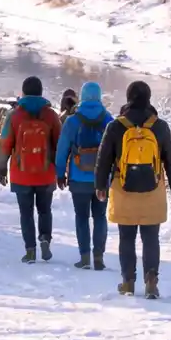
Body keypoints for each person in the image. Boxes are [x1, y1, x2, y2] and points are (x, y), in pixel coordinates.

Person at [94, 81, 171, 300]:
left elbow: (103, 159)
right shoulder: (160, 127)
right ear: (149, 98)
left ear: (128, 98)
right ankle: (151, 281)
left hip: (124, 190)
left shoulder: (116, 126)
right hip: (153, 191)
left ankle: (128, 282)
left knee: (127, 238)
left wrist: (100, 185)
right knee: (151, 238)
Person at [0, 76, 63, 263]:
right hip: (45, 173)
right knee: (45, 210)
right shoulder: (51, 115)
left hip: (21, 173)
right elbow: (59, 145)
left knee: (26, 213)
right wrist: (60, 171)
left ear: (23, 92)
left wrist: (2, 168)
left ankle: (30, 250)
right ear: (41, 92)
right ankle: (45, 238)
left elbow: (4, 144)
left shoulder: (14, 115)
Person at [56, 82, 113, 270]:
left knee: (81, 217)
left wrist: (60, 173)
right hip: (102, 180)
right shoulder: (109, 120)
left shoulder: (73, 121)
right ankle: (99, 257)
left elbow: (63, 148)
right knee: (100, 216)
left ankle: (85, 257)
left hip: (78, 177)